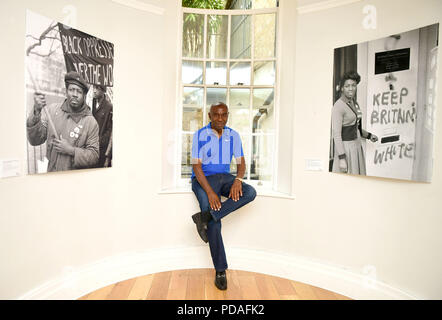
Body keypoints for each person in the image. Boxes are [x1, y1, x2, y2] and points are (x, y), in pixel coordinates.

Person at [191, 102, 257, 291]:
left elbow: (241, 164)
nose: (220, 119)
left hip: (226, 179)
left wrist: (237, 180)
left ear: (227, 116)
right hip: (204, 180)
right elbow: (196, 167)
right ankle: (220, 270)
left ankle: (207, 216)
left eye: (224, 115)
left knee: (250, 192)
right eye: (216, 115)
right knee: (214, 217)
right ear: (210, 116)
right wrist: (211, 193)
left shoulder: (233, 135)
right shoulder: (200, 135)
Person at [27, 71, 99, 172]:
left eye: (79, 91)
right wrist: (36, 111)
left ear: (84, 96)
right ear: (66, 91)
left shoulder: (91, 122)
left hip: (75, 182)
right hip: (52, 177)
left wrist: (71, 150)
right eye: (71, 90)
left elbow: (94, 156)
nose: (74, 94)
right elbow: (35, 140)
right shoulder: (52, 111)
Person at [331, 71, 378, 175]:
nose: (351, 88)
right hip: (346, 149)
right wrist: (342, 158)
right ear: (342, 88)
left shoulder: (353, 102)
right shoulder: (338, 107)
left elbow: (356, 127)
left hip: (356, 146)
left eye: (353, 85)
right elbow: (336, 134)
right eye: (347, 86)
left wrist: (369, 135)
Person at [92, 84, 113, 167]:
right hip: (90, 146)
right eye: (94, 88)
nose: (94, 90)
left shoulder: (109, 107)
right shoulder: (91, 103)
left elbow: (109, 130)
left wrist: (100, 141)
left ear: (103, 90)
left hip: (101, 149)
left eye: (97, 88)